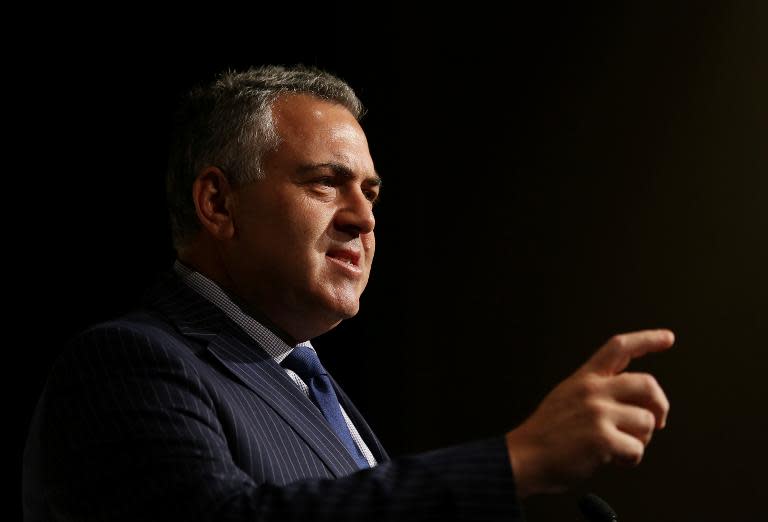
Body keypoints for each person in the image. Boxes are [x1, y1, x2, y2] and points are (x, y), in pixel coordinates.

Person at [22, 65, 673, 521]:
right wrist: (515, 460)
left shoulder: (307, 386)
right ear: (218, 203)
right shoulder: (128, 364)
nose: (364, 218)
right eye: (325, 183)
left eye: (370, 191)